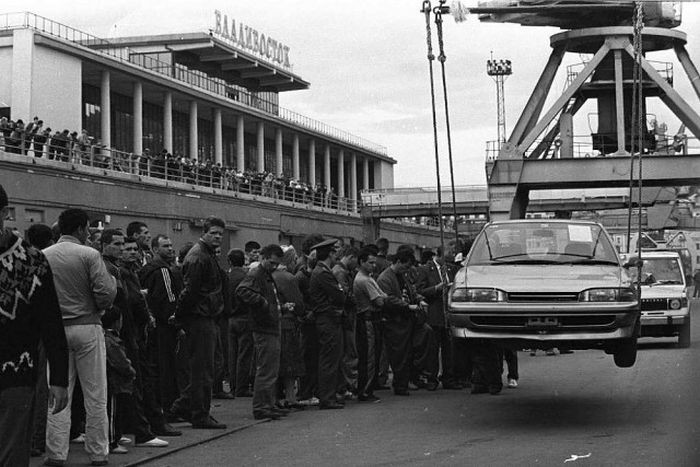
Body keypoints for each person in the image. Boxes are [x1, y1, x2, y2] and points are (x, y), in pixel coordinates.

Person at [0, 184, 69, 467]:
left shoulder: (32, 260)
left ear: (4, 213)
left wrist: (59, 379)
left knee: (11, 455)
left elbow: (51, 321)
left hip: (16, 375)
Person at [43, 209, 117, 466]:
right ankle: (98, 453)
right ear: (79, 229)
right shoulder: (89, 254)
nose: (88, 233)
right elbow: (105, 293)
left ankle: (55, 453)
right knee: (95, 393)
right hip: (87, 326)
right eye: (87, 228)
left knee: (58, 391)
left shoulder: (44, 256)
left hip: (55, 330)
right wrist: (104, 300)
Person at [171, 217, 227, 429]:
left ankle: (186, 408)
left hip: (206, 316)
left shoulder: (205, 255)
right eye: (213, 233)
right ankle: (199, 414)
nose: (218, 237)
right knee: (203, 369)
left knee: (204, 368)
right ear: (204, 232)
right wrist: (180, 315)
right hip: (200, 318)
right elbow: (190, 291)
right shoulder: (199, 257)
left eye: (220, 234)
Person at [236, 244, 287, 420]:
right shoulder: (256, 274)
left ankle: (269, 404)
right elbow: (242, 291)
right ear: (262, 258)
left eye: (277, 264)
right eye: (271, 262)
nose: (274, 266)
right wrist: (263, 303)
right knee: (266, 368)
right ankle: (261, 407)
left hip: (271, 325)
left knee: (271, 368)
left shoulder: (265, 274)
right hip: (264, 327)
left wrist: (280, 307)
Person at [140, 235, 183, 411]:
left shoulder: (146, 269)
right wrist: (175, 321)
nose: (171, 249)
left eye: (171, 244)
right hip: (164, 326)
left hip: (151, 324)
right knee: (166, 367)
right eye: (166, 246)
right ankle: (168, 406)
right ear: (155, 249)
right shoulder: (163, 270)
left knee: (156, 366)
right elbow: (169, 299)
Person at [309, 238, 347, 409]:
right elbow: (339, 295)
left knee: (329, 359)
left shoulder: (321, 270)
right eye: (334, 252)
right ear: (330, 254)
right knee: (329, 360)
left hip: (326, 319)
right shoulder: (323, 272)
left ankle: (328, 395)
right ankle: (327, 397)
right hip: (328, 319)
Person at [415, 249, 460, 389]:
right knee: (433, 349)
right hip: (434, 314)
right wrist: (436, 288)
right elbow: (420, 290)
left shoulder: (451, 270)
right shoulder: (425, 270)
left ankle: (448, 378)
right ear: (439, 256)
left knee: (449, 349)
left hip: (448, 314)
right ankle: (431, 378)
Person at [272, 246, 306, 409]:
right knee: (290, 364)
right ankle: (290, 397)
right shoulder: (288, 278)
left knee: (275, 363)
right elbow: (298, 304)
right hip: (288, 323)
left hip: (273, 323)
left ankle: (274, 398)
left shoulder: (269, 275)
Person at [353, 247, 387, 402]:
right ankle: (365, 390)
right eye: (370, 262)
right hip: (368, 320)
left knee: (372, 354)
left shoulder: (368, 277)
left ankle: (367, 389)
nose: (374, 265)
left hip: (371, 319)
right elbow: (380, 300)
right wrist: (382, 297)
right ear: (362, 262)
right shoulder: (364, 280)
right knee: (370, 356)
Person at [332, 245, 359, 399]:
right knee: (348, 353)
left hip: (345, 317)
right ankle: (347, 386)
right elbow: (346, 296)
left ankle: (344, 386)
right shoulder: (340, 272)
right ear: (351, 257)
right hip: (346, 318)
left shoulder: (340, 271)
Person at [227, 248, 253, 398]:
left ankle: (233, 385)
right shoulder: (246, 276)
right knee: (244, 354)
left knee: (232, 353)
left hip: (231, 318)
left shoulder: (227, 277)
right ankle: (242, 386)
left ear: (230, 261)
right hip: (245, 317)